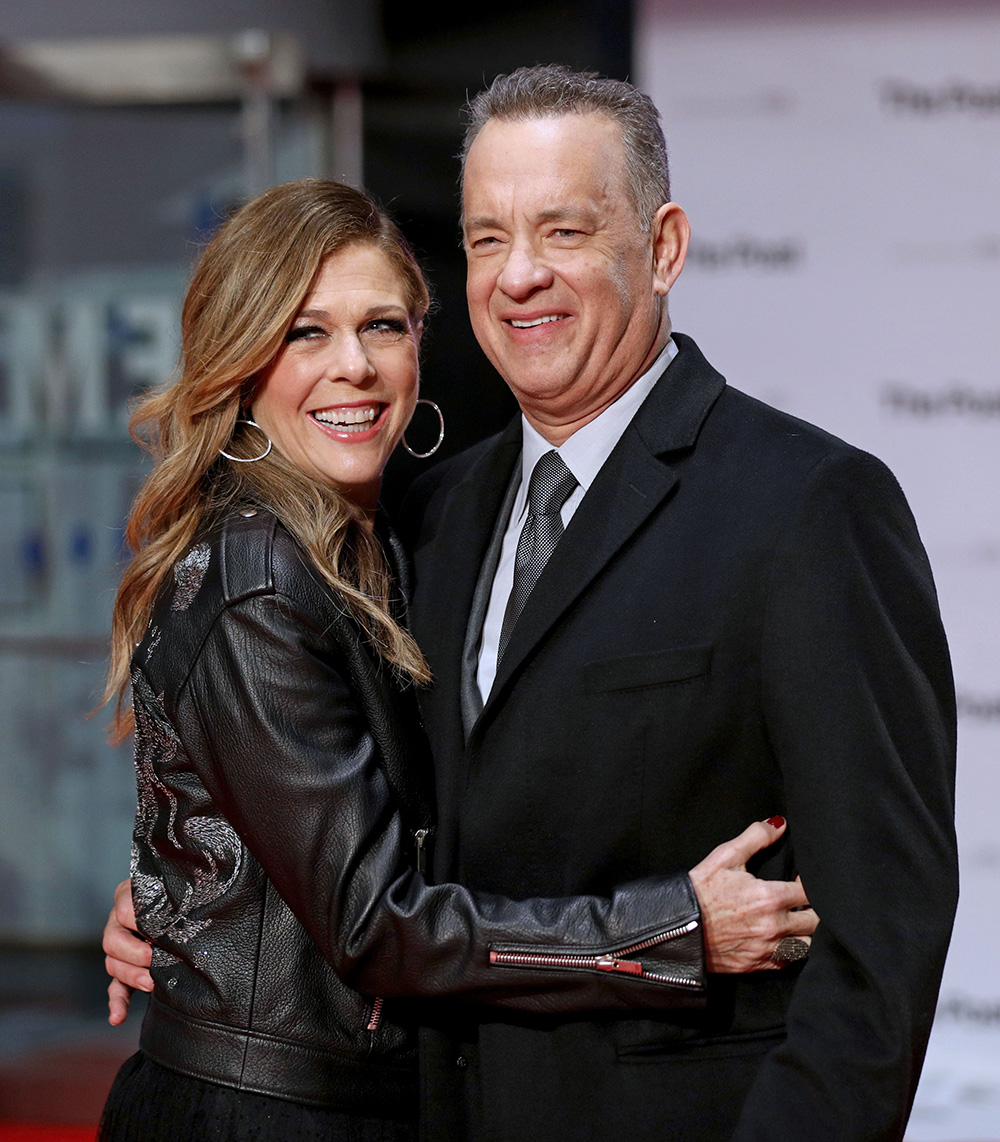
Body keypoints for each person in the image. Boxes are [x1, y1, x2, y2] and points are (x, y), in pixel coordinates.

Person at [97, 178, 816, 1142]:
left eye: (383, 326)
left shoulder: (395, 538)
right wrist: (678, 928)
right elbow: (375, 922)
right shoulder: (257, 573)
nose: (352, 367)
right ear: (241, 361)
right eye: (305, 333)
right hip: (268, 1118)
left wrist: (187, 894)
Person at [390, 66, 957, 1141]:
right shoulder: (431, 515)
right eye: (483, 239)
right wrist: (194, 891)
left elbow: (878, 945)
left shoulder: (809, 507)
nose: (517, 277)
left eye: (561, 231)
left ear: (663, 248)